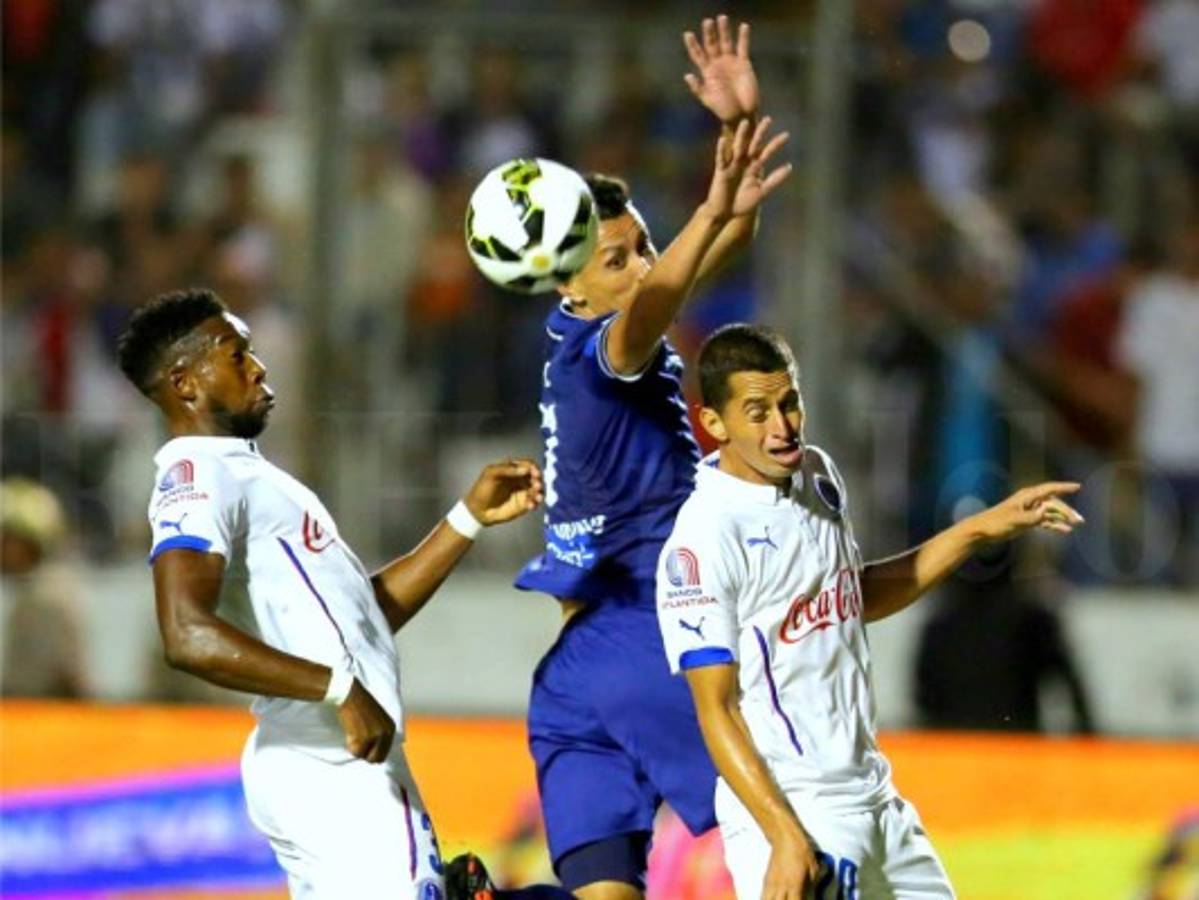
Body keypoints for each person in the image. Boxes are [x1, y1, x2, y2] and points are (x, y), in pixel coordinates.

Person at [487, 17, 792, 900]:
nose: (643, 267)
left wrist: (736, 131)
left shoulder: (580, 338)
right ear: (568, 281)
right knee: (789, 852)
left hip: (575, 675)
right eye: (617, 258)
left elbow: (723, 237)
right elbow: (671, 284)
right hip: (651, 642)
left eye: (645, 246)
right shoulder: (600, 356)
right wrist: (708, 208)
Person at [115, 288, 544, 899]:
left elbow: (360, 620)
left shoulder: (247, 475)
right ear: (186, 384)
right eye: (236, 355)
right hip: (333, 760)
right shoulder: (200, 474)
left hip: (320, 759)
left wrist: (466, 520)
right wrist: (340, 689)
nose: (258, 367)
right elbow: (186, 633)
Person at [655, 324, 1084, 900]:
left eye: (789, 403)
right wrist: (782, 835)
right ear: (714, 423)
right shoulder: (704, 539)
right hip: (797, 808)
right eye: (756, 412)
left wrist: (982, 528)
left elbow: (854, 598)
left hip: (874, 797)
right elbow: (717, 710)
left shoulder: (817, 476)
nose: (781, 427)